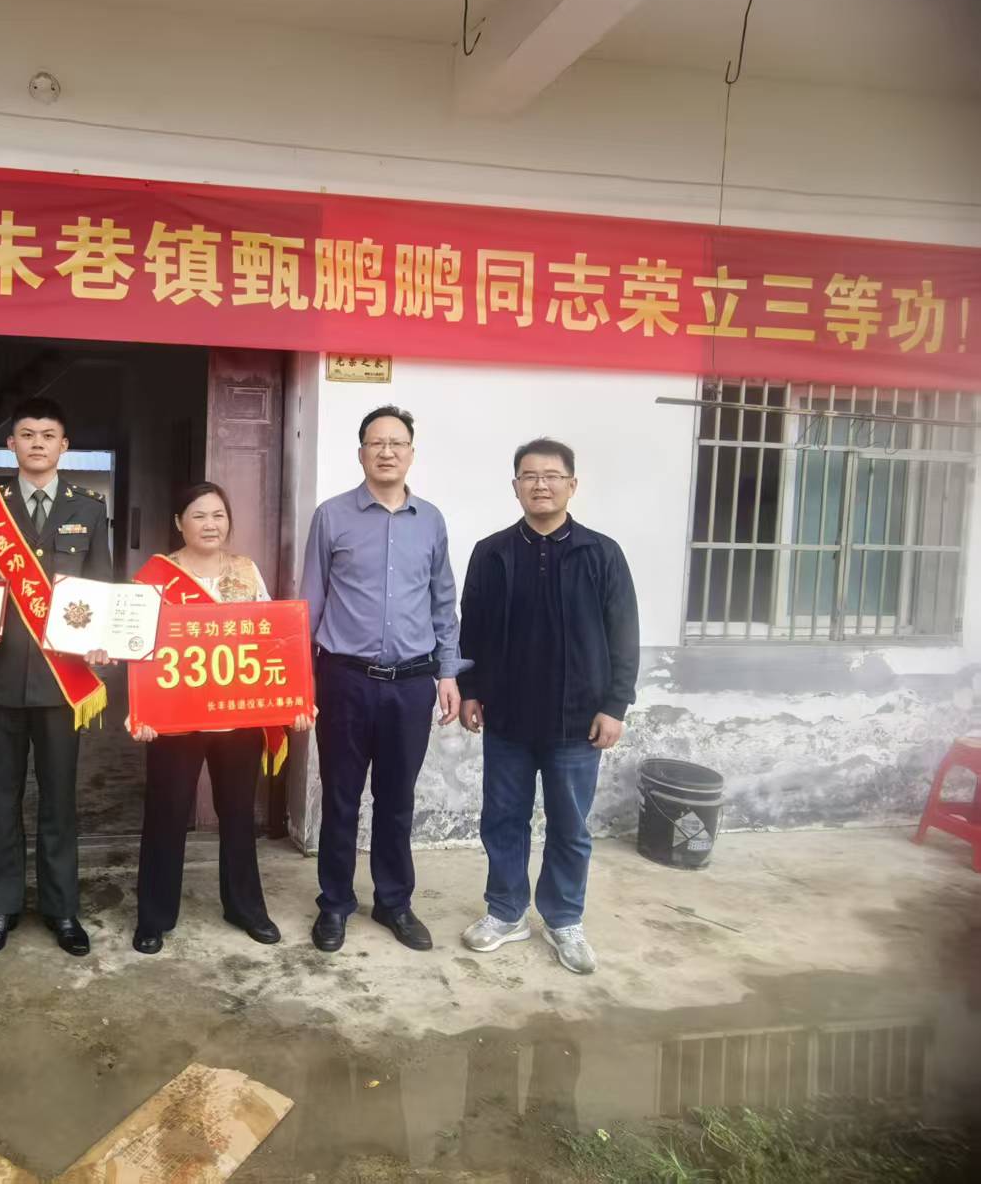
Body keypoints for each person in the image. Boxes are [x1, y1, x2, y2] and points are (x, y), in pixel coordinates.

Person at [457, 438, 638, 975]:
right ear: (515, 486)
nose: (541, 485)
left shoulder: (601, 553)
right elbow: (473, 628)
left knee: (570, 826)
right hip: (507, 718)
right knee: (502, 820)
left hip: (578, 722)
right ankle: (506, 911)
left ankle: (564, 919)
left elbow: (624, 634)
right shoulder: (492, 553)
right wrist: (470, 690)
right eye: (530, 476)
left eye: (552, 476)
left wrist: (615, 705)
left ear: (571, 485)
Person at [299, 405, 461, 954]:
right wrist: (302, 678)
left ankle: (394, 902)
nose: (386, 451)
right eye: (376, 442)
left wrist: (448, 671)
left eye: (397, 443)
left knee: (397, 800)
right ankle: (335, 903)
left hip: (411, 684)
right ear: (361, 452)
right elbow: (311, 600)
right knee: (341, 796)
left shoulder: (431, 520)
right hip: (344, 679)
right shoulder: (332, 516)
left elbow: (443, 602)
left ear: (411, 453)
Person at [0, 397, 111, 958]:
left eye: (48, 434)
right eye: (26, 434)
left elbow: (100, 588)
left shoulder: (89, 508)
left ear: (64, 446)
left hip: (63, 679)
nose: (37, 443)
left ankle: (61, 907)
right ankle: (0, 906)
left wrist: (104, 639)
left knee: (59, 797)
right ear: (11, 445)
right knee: (1, 795)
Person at [127, 482, 312, 955]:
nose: (210, 525)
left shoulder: (246, 571)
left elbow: (274, 641)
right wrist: (141, 712)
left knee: (238, 815)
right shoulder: (154, 578)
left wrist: (295, 699)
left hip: (238, 721)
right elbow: (138, 650)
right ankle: (154, 916)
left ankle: (245, 907)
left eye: (218, 515)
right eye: (198, 515)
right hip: (175, 722)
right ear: (179, 523)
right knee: (166, 815)